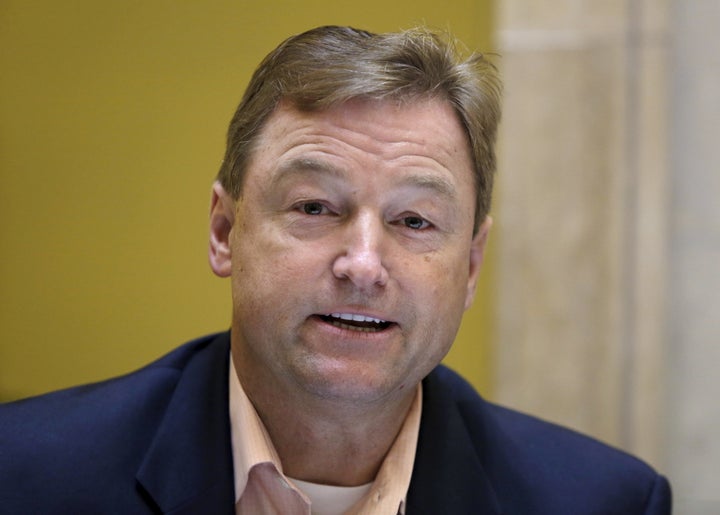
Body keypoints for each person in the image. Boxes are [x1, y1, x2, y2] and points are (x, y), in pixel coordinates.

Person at [0, 25, 671, 514]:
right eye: (316, 205)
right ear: (224, 230)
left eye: (414, 221)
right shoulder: (24, 475)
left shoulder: (602, 500)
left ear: (470, 266)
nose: (363, 264)